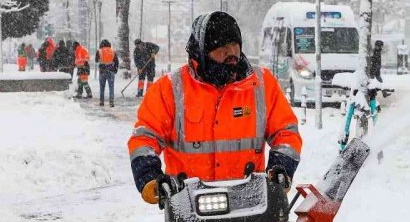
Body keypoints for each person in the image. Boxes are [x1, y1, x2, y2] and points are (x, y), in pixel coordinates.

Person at [128, 11, 302, 209]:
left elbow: (286, 132)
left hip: (251, 205)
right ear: (202, 52)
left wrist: (282, 167)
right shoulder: (170, 88)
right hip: (188, 208)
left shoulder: (261, 84)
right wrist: (149, 176)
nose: (232, 53)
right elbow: (145, 137)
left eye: (235, 45)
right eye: (222, 47)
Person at [96, 39, 119, 107]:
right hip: (111, 71)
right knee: (111, 87)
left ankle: (101, 101)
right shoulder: (113, 51)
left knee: (102, 87)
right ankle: (111, 102)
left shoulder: (99, 51)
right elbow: (116, 62)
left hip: (102, 71)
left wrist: (101, 60)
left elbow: (96, 60)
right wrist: (115, 70)